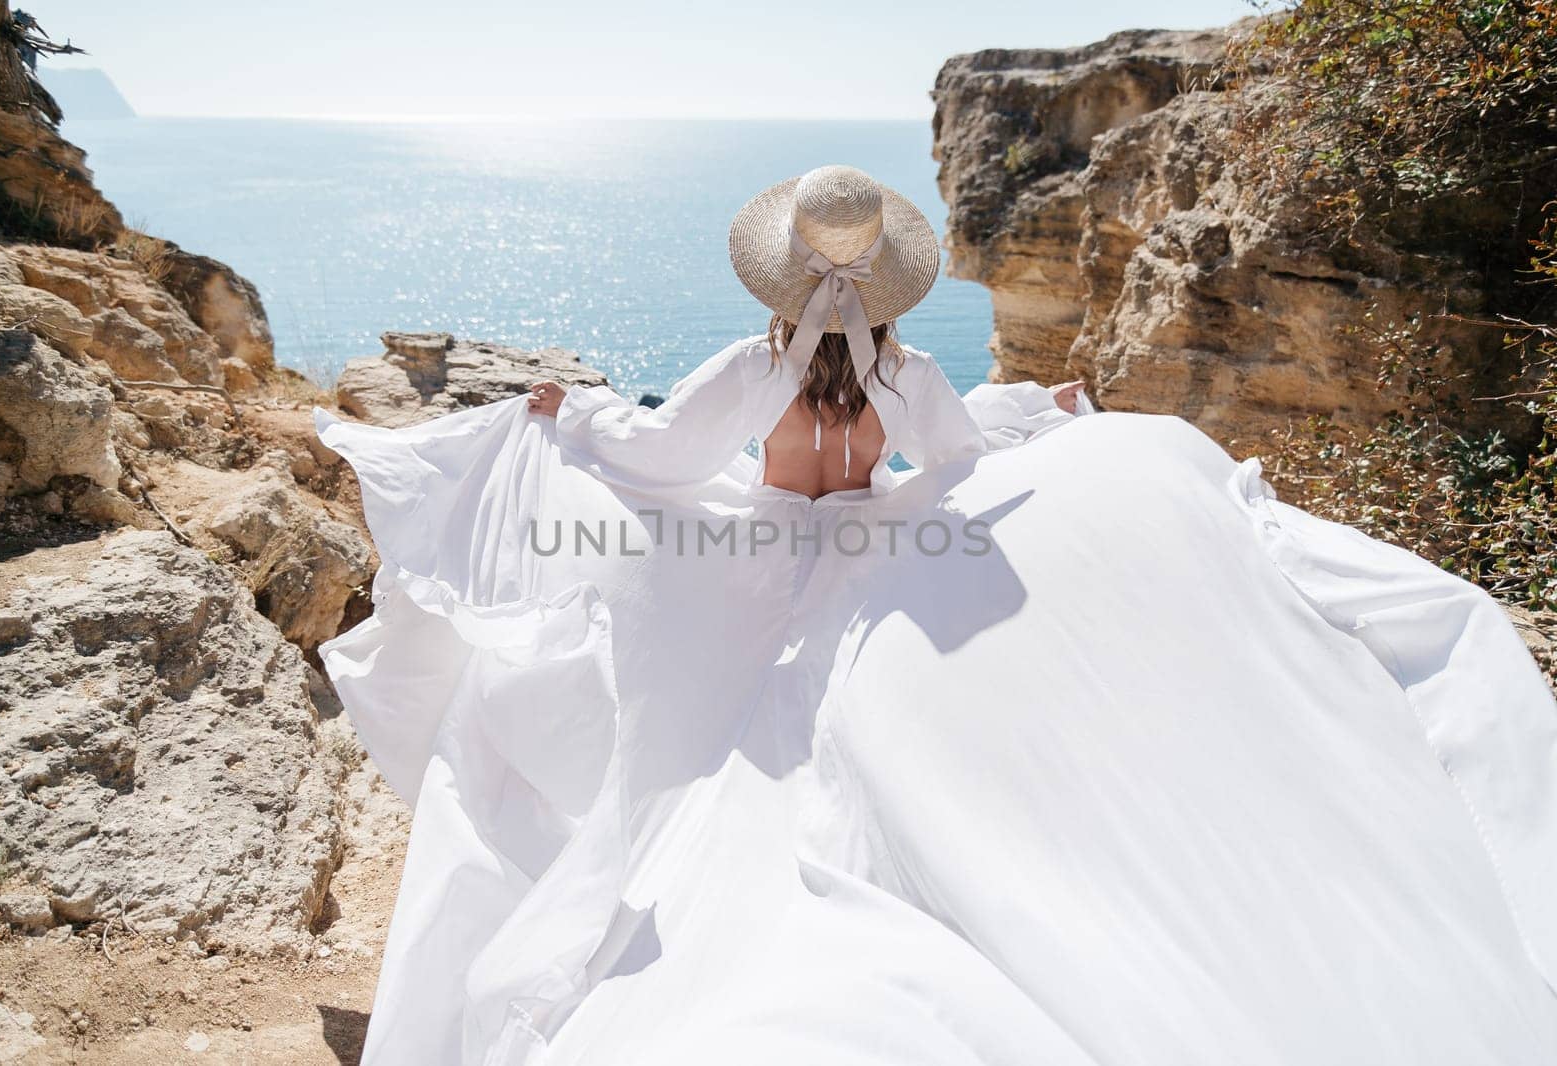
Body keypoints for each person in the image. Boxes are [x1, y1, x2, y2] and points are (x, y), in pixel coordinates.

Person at [316, 166, 1557, 1066]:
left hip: (756, 555)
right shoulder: (905, 373)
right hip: (864, 552)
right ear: (886, 283)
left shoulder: (750, 368)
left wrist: (568, 416)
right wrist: (1042, 415)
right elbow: (956, 453)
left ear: (780, 275)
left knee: (652, 729)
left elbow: (655, 454)